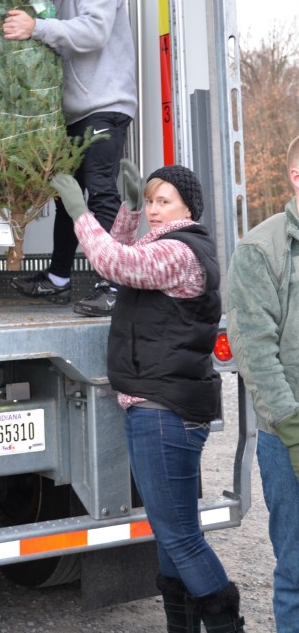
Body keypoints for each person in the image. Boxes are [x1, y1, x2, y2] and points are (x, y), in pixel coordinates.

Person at [51, 162, 245, 632]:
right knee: (171, 535)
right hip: (161, 406)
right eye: (152, 201)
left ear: (187, 208)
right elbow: (123, 252)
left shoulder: (180, 252)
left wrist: (80, 212)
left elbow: (113, 263)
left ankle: (225, 624)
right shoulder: (166, 247)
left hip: (165, 412)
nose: (155, 211)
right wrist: (129, 209)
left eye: (163, 202)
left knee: (180, 537)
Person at [3, 0, 137, 315]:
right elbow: (49, 25)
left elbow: (94, 32)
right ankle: (59, 279)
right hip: (76, 112)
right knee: (67, 196)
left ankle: (112, 283)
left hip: (104, 106)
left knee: (100, 191)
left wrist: (38, 28)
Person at [226, 135, 299, 633]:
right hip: (288, 437)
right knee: (297, 571)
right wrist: (293, 432)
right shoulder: (261, 250)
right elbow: (256, 351)